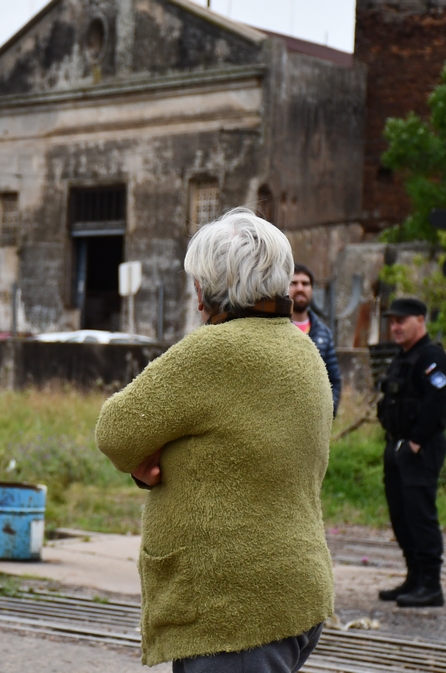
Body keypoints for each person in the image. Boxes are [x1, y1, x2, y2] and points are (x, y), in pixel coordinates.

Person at [96, 208, 334, 671]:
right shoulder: (302, 350)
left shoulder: (213, 352)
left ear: (206, 288)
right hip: (294, 590)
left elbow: (116, 432)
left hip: (233, 606)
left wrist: (151, 457)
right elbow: (242, 444)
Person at [375, 298, 446, 608]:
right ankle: (414, 577)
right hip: (397, 445)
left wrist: (415, 443)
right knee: (401, 515)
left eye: (401, 321)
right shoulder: (402, 358)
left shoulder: (432, 357)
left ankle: (431, 584)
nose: (395, 327)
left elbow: (437, 402)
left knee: (420, 515)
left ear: (420, 320)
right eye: (392, 321)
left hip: (419, 449)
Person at [289, 264, 342, 417]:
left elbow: (334, 379)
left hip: (314, 421)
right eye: (294, 283)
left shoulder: (324, 333)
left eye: (305, 283)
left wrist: (329, 411)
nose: (300, 288)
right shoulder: (275, 329)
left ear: (312, 289)